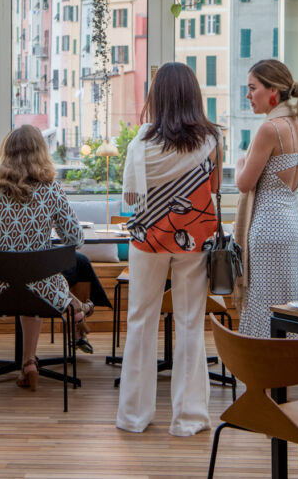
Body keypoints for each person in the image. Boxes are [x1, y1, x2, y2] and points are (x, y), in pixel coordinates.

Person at [117, 62, 220, 437]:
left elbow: (133, 201)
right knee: (190, 323)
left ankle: (133, 416)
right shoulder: (211, 140)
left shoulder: (142, 142)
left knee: (140, 322)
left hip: (148, 238)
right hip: (194, 237)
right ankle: (189, 418)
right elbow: (214, 187)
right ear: (193, 94)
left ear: (158, 96)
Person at [0, 124, 90, 391]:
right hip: (45, 291)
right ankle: (32, 357)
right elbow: (76, 239)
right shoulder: (52, 191)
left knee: (25, 283)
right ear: (41, 152)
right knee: (35, 282)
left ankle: (28, 362)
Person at [234, 59, 298, 339]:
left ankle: (261, 364)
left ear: (273, 92)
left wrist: (239, 163)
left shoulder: (269, 129)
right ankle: (286, 362)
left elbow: (245, 183)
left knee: (262, 301)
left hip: (268, 225)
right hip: (291, 223)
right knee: (287, 301)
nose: (248, 95)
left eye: (252, 88)